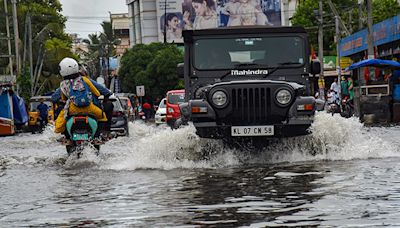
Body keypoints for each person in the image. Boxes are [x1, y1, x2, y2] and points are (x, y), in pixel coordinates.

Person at [54, 57, 111, 135]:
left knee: (61, 118)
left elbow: (56, 98)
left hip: (72, 110)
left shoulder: (63, 84)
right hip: (90, 108)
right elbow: (99, 92)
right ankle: (102, 134)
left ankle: (65, 136)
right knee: (102, 116)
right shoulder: (85, 80)